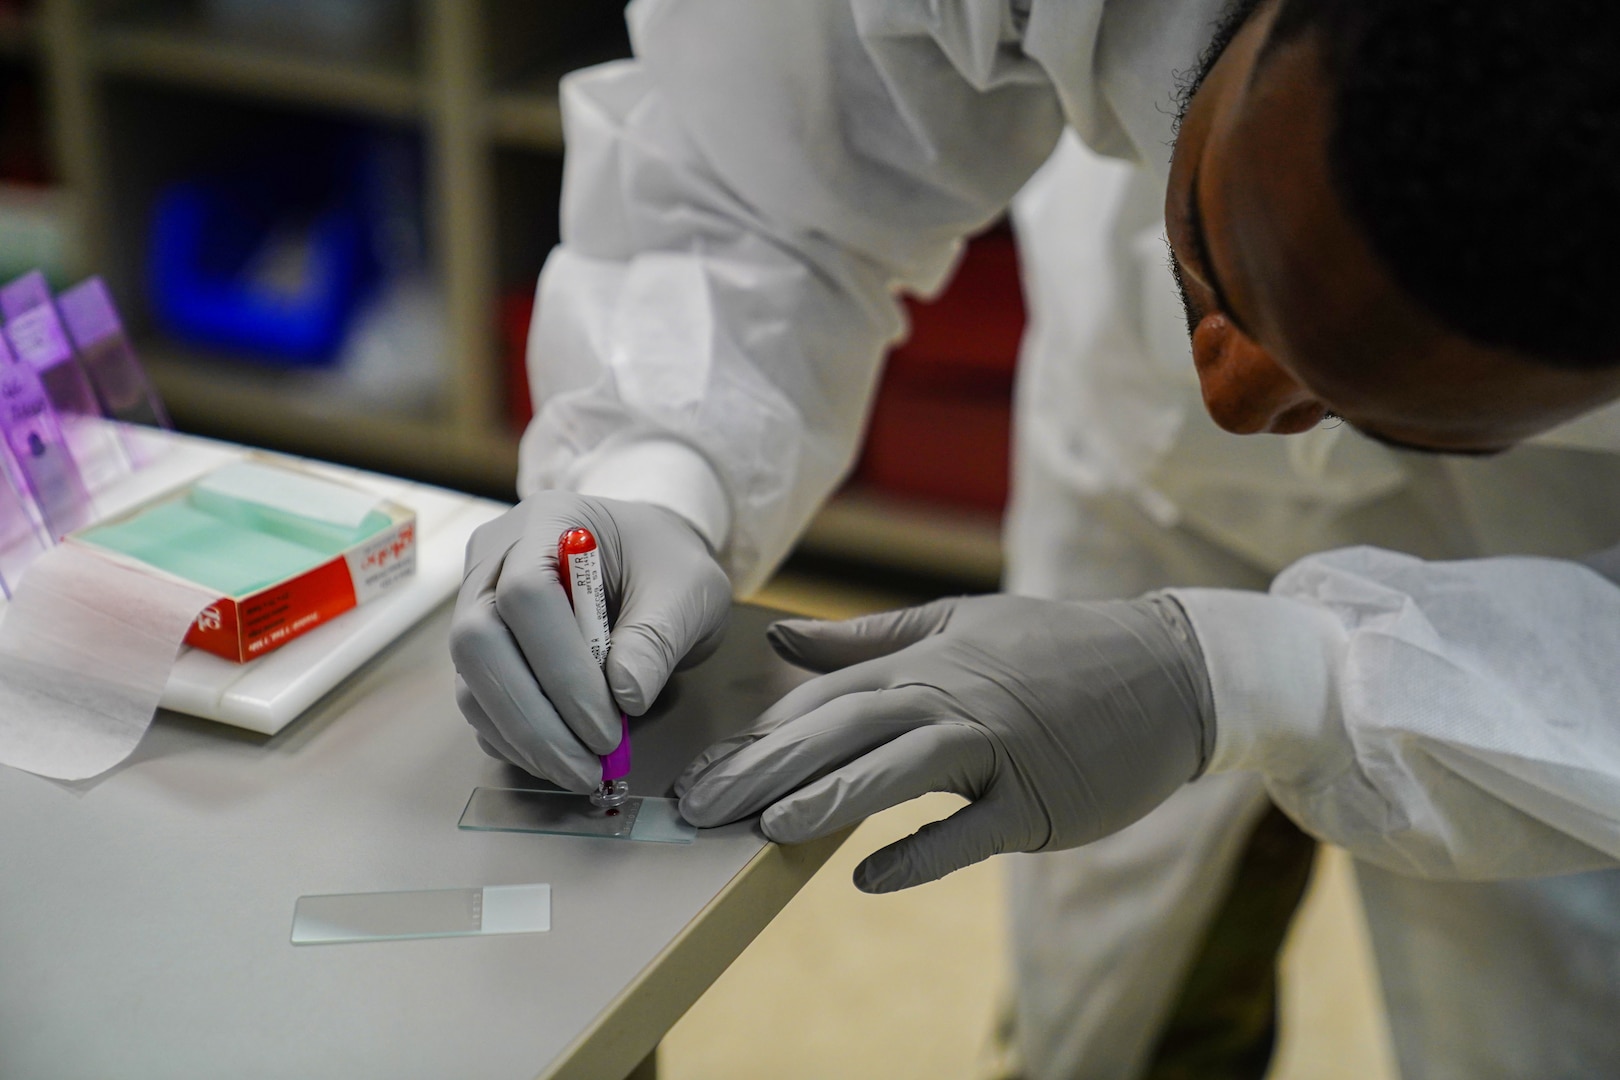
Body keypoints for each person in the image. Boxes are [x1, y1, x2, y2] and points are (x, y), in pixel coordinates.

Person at [450, 1, 1620, 1076]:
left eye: (1380, 409)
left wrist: (1261, 677)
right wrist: (662, 464)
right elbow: (763, 173)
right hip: (1138, 454)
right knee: (1110, 1006)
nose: (1238, 401)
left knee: (1550, 1020)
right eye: (1217, 262)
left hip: (1558, 554)